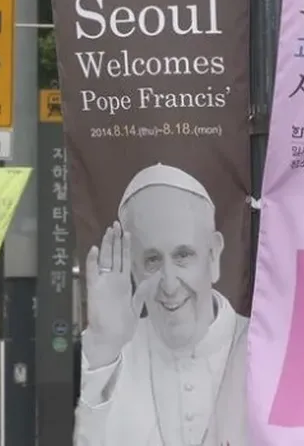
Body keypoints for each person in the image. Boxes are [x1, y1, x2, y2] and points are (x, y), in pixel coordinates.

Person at [75, 164, 248, 446]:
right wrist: (104, 351)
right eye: (152, 260)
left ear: (213, 254)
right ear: (133, 268)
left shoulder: (262, 346)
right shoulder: (105, 355)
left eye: (183, 256)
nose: (169, 284)